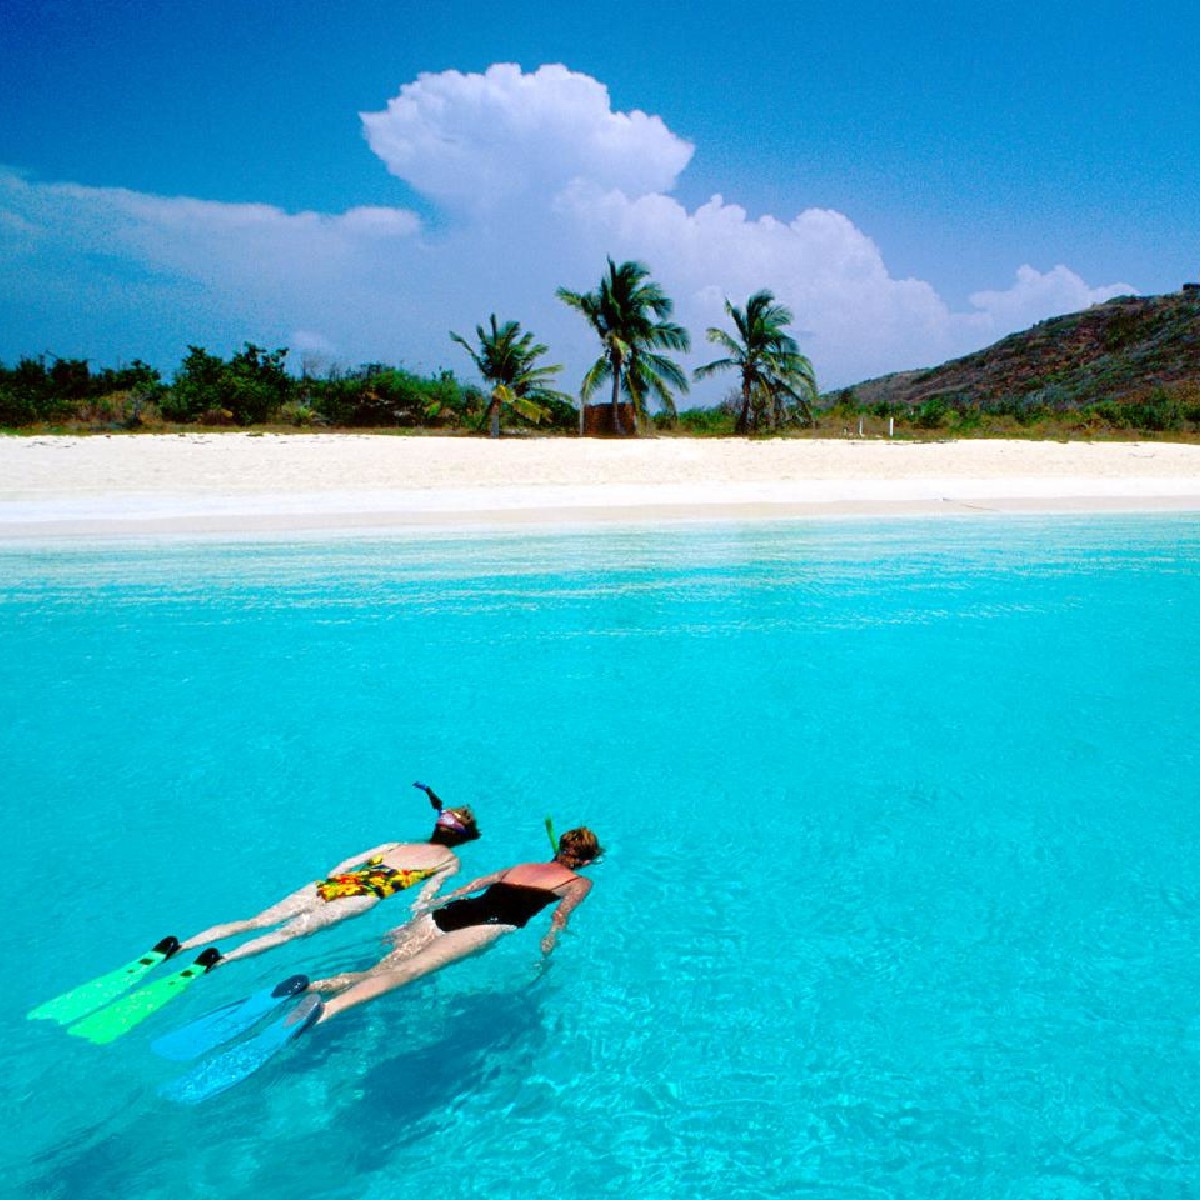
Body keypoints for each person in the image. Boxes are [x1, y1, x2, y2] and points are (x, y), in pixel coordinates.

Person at [308, 826, 602, 1023]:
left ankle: (314, 986)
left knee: (379, 969)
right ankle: (327, 1011)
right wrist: (548, 947)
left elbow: (471, 886)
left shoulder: (521, 866)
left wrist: (429, 907)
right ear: (586, 861)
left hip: (448, 913)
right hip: (486, 925)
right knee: (410, 971)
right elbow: (559, 917)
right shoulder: (579, 882)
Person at [179, 783, 480, 964]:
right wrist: (411, 925)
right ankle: (222, 961)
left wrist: (331, 884)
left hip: (331, 885)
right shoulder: (448, 862)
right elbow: (424, 898)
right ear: (463, 838)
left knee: (256, 921)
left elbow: (344, 865)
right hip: (361, 897)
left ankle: (182, 947)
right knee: (289, 932)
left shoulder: (395, 844)